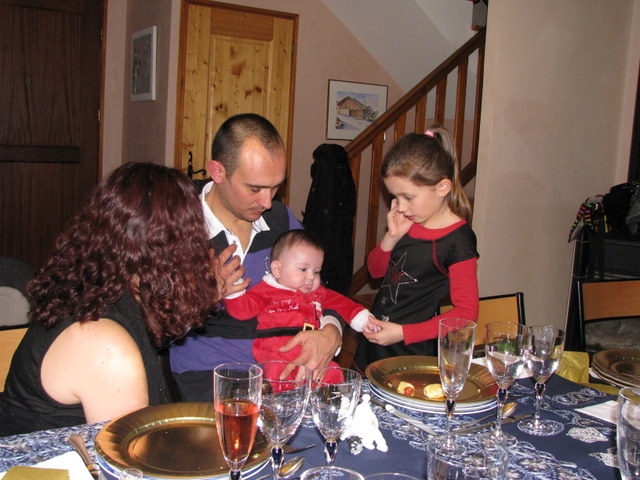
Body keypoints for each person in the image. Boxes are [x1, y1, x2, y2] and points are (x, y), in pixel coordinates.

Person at [0, 162, 218, 436]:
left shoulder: (93, 285)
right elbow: (131, 456)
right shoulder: (106, 344)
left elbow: (155, 332)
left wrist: (202, 294)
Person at [169, 113, 343, 401]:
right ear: (217, 172)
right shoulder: (177, 226)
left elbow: (317, 288)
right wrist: (203, 295)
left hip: (284, 368)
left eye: (276, 187)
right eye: (255, 188)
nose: (267, 201)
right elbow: (153, 328)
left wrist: (331, 331)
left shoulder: (280, 220)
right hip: (209, 377)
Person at [353, 126, 479, 372]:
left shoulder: (458, 240)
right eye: (395, 197)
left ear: (442, 188)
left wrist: (403, 333)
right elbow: (376, 272)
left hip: (412, 352)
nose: (400, 207)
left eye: (408, 197)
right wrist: (391, 237)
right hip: (375, 344)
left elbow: (466, 314)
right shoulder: (409, 221)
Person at [225, 230, 378, 380]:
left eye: (317, 271)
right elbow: (242, 310)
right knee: (279, 378)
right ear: (277, 269)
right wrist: (234, 291)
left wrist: (364, 320)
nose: (311, 277)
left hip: (313, 353)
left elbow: (342, 303)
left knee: (334, 372)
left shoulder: (319, 293)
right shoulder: (265, 291)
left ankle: (330, 395)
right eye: (303, 269)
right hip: (277, 354)